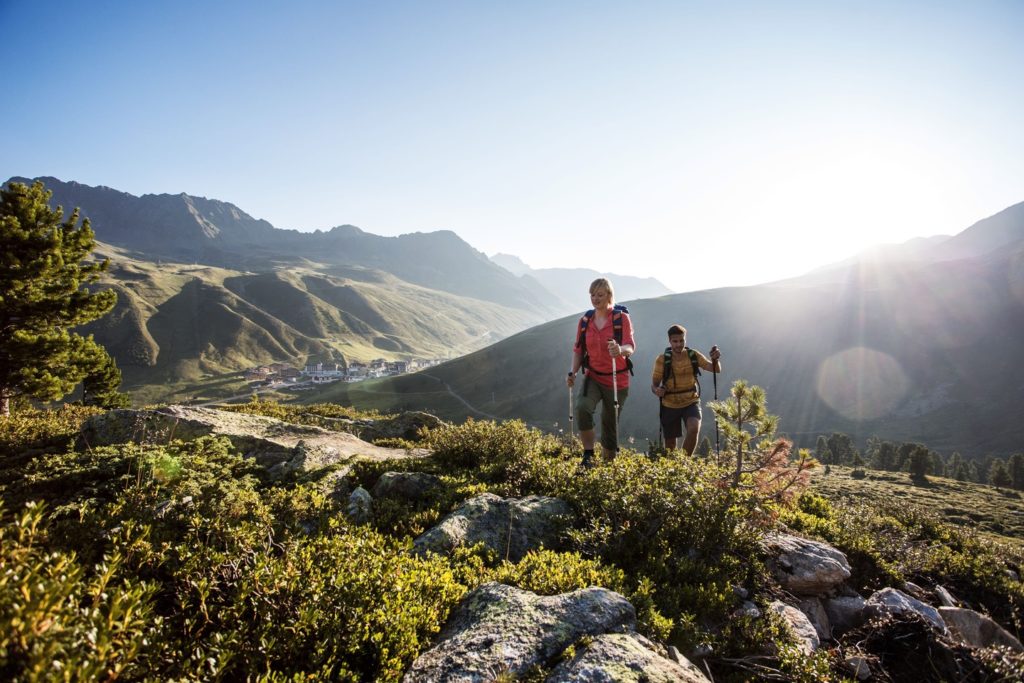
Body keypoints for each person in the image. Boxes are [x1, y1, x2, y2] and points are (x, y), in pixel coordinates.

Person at [566, 278, 635, 467]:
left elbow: (630, 345)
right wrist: (572, 372)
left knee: (609, 423)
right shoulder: (585, 321)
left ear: (609, 296)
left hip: (616, 379)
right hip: (594, 376)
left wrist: (620, 350)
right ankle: (588, 454)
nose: (595, 299)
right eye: (592, 295)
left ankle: (607, 465)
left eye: (600, 295)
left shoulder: (621, 319)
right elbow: (579, 350)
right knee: (582, 407)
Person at [651, 324, 721, 455]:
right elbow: (654, 384)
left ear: (685, 339)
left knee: (694, 428)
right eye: (675, 341)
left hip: (691, 400)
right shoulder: (662, 359)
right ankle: (673, 469)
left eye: (681, 340)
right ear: (669, 341)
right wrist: (657, 391)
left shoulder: (693, 355)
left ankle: (684, 463)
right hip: (669, 403)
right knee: (670, 444)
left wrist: (715, 359)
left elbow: (715, 369)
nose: (678, 344)